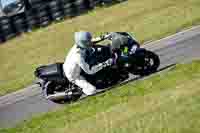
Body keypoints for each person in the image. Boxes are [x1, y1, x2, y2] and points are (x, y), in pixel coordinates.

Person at [63, 31, 116, 96]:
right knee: (92, 90)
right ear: (82, 42)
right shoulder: (78, 56)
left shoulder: (80, 45)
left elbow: (91, 41)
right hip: (75, 76)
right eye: (87, 41)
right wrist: (106, 63)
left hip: (77, 65)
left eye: (89, 40)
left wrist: (104, 37)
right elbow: (90, 71)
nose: (90, 42)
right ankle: (81, 91)